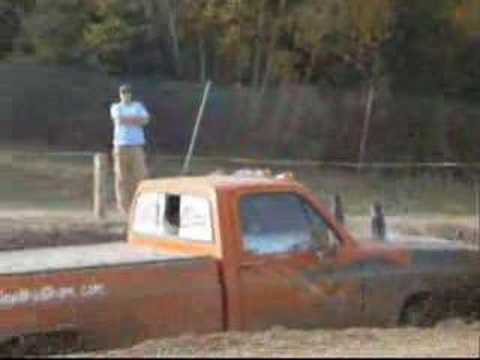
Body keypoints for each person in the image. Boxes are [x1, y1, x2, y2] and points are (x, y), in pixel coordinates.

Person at [110, 83, 151, 215]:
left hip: (136, 146)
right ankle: (124, 209)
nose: (125, 95)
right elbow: (119, 120)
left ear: (131, 94)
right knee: (122, 178)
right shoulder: (116, 107)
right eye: (123, 93)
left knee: (140, 176)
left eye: (127, 93)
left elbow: (145, 120)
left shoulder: (138, 106)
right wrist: (135, 120)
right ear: (120, 95)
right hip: (120, 146)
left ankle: (140, 205)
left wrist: (130, 120)